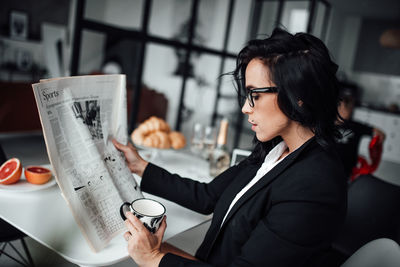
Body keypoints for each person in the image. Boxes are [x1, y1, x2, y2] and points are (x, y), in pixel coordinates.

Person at [113, 28, 347, 267]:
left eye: (255, 94)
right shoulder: (274, 150)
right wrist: (139, 166)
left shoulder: (315, 185)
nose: (246, 107)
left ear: (299, 95)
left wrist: (155, 258)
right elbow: (207, 196)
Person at [335, 83, 386, 177]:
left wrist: (377, 141)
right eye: (342, 106)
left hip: (348, 169)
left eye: (350, 107)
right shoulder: (326, 125)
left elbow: (380, 134)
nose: (346, 110)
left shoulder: (356, 126)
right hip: (329, 167)